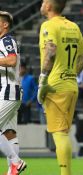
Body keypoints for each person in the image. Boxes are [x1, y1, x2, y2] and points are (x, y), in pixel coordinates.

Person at [38, 0, 83, 175]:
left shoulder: (48, 25)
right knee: (64, 132)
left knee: (59, 133)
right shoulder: (73, 26)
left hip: (55, 85)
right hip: (71, 85)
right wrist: (72, 73)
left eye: (44, 1)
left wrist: (43, 80)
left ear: (50, 6)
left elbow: (50, 51)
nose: (42, 4)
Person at [0, 10, 27, 175]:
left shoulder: (7, 40)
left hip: (9, 91)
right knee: (9, 133)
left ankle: (16, 162)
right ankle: (13, 170)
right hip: (10, 91)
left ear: (5, 24)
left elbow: (11, 60)